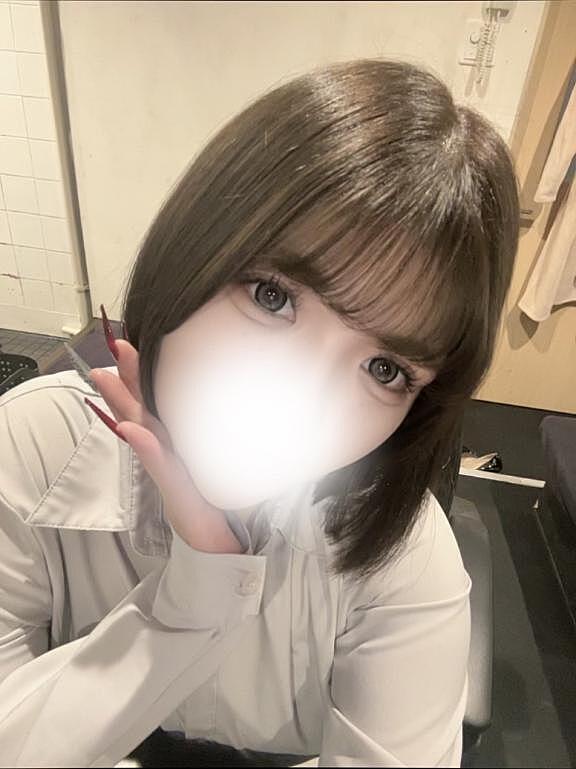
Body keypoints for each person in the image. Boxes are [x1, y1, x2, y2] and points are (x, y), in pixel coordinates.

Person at [0, 58, 519, 767]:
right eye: (273, 296)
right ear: (193, 249)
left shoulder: (401, 557)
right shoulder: (33, 449)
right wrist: (197, 591)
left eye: (385, 369)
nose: (308, 398)